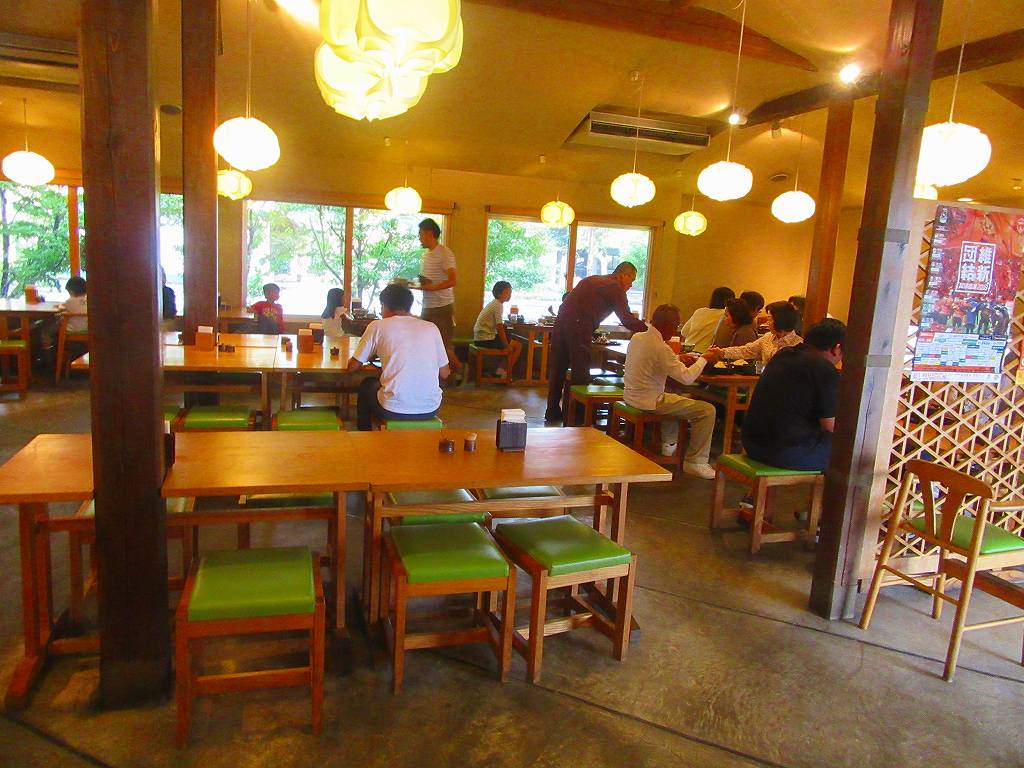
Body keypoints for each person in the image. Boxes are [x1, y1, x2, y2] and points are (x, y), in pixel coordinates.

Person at [623, 304, 723, 479]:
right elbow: (687, 378)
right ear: (667, 325)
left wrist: (677, 358)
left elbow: (653, 358)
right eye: (676, 324)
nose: (677, 329)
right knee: (707, 410)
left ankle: (669, 445)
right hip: (650, 401)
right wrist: (705, 359)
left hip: (631, 396)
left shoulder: (638, 337)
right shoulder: (661, 347)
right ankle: (696, 462)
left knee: (674, 397)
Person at [544, 262, 647, 423]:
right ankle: (578, 417)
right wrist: (650, 329)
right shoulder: (615, 287)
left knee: (558, 368)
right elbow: (626, 319)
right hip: (579, 326)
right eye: (631, 280)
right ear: (623, 275)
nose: (631, 285)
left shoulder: (593, 279)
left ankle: (552, 412)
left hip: (560, 322)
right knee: (581, 372)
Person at [741, 318, 846, 471]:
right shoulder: (824, 369)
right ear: (837, 348)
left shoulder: (783, 354)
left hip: (752, 444)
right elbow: (831, 425)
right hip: (785, 452)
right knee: (851, 452)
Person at [347, 284, 450, 431]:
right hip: (430, 408)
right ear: (409, 305)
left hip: (393, 410)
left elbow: (352, 367)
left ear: (384, 305)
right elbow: (445, 373)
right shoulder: (431, 327)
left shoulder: (377, 326)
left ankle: (364, 433)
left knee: (367, 385)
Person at [412, 217, 462, 378]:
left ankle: (460, 371)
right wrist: (421, 284)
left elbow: (453, 280)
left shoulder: (445, 253)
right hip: (427, 307)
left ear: (429, 233)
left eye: (420, 234)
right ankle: (435, 377)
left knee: (443, 346)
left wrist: (431, 287)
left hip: (442, 307)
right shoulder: (426, 256)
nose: (419, 237)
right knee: (425, 344)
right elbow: (431, 281)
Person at [720, 300, 802, 364]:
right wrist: (722, 352)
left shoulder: (799, 344)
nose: (767, 322)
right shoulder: (768, 337)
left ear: (780, 320)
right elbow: (746, 350)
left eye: (770, 319)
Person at [473, 280, 523, 376]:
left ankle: (500, 372)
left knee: (510, 341)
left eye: (510, 293)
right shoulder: (498, 305)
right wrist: (507, 345)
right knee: (517, 346)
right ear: (499, 293)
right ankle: (505, 373)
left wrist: (506, 344)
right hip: (485, 339)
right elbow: (499, 328)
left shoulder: (494, 303)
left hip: (480, 338)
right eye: (507, 292)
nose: (509, 295)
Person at [680, 287, 734, 353]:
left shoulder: (700, 311)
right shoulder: (726, 315)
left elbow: (683, 332)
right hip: (706, 354)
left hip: (687, 351)